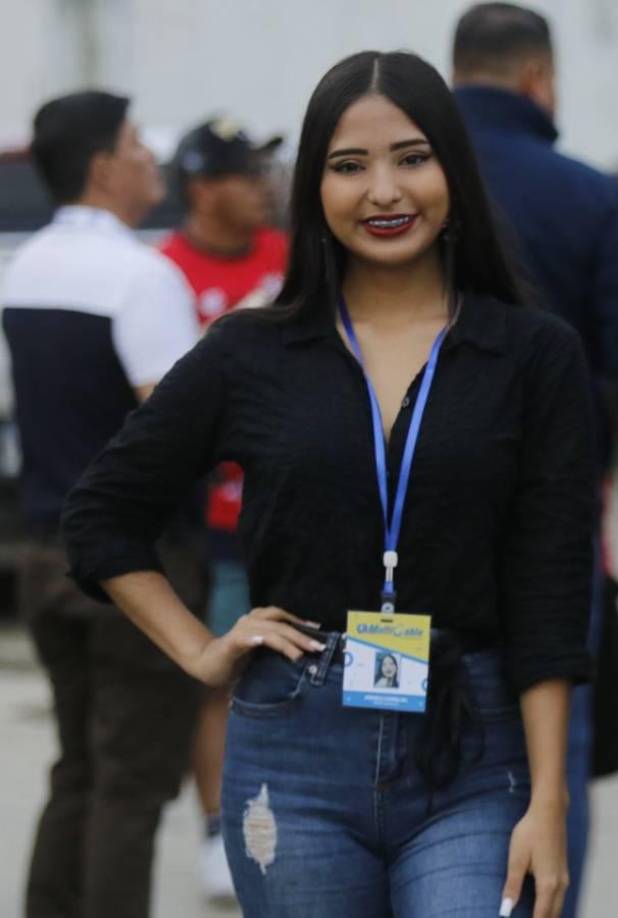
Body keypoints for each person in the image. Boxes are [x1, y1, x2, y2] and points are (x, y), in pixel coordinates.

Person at [61, 51, 594, 918]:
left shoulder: (533, 354)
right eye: (350, 167)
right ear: (313, 186)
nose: (384, 190)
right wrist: (201, 649)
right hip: (292, 757)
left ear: (454, 170)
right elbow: (102, 517)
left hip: (472, 749)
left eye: (412, 158)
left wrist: (551, 799)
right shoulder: (253, 352)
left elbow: (552, 591)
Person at [452, 8, 618, 913]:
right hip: (550, 528)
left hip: (393, 530)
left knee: (402, 747)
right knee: (553, 759)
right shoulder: (587, 198)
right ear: (539, 78)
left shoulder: (390, 191)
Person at [0, 90, 205, 918]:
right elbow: (176, 427)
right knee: (132, 783)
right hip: (135, 569)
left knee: (78, 766)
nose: (150, 159)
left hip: (43, 552)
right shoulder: (141, 275)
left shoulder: (26, 268)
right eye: (135, 144)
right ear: (101, 164)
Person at [159, 115, 288, 903]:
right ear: (205, 188)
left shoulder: (287, 259)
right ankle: (217, 829)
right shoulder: (164, 272)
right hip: (214, 527)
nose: (263, 189)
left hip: (296, 510)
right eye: (247, 176)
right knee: (221, 679)